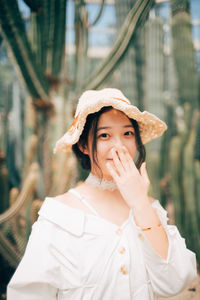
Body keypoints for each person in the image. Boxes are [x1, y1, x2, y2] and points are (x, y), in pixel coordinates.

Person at [7, 88, 197, 300]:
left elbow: (175, 282)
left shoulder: (149, 208)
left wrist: (140, 203)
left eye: (127, 134)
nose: (119, 147)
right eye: (104, 135)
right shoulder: (59, 215)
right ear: (83, 145)